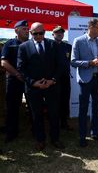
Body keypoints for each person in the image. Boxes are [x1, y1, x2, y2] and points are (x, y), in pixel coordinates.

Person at [17, 22, 65, 150]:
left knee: (54, 113)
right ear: (30, 33)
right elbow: (21, 68)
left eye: (41, 33)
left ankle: (55, 138)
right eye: (35, 33)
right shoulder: (24, 47)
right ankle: (40, 139)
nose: (38, 36)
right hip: (33, 88)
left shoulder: (53, 45)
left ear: (45, 32)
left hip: (52, 86)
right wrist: (33, 82)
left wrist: (52, 80)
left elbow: (61, 65)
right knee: (36, 114)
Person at [71, 18, 98, 147]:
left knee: (96, 108)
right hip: (85, 80)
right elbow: (73, 62)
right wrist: (90, 63)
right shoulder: (78, 41)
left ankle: (94, 132)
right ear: (91, 27)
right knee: (83, 108)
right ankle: (82, 136)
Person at [1, 20, 29, 143]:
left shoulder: (31, 44)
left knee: (34, 106)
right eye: (24, 28)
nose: (27, 31)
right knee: (12, 107)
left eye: (27, 29)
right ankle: (12, 132)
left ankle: (35, 131)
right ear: (16, 30)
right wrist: (16, 74)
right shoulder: (9, 44)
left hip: (29, 80)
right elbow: (3, 62)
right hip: (13, 79)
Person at [52, 25, 72, 130]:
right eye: (57, 32)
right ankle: (54, 123)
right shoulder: (49, 45)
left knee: (65, 100)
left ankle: (64, 122)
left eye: (61, 32)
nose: (60, 34)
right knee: (55, 101)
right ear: (53, 34)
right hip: (53, 79)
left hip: (65, 78)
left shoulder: (68, 46)